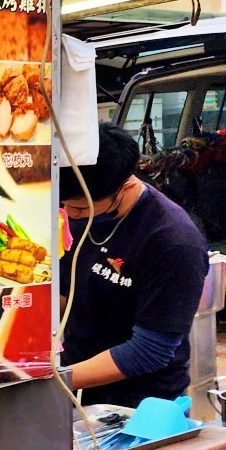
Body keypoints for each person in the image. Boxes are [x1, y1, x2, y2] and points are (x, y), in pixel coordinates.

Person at [59, 123, 208, 408]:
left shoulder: (173, 241)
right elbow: (67, 294)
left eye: (79, 209)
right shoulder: (78, 203)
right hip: (77, 388)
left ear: (126, 184)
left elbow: (150, 350)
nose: (70, 214)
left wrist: (54, 379)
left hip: (143, 404)